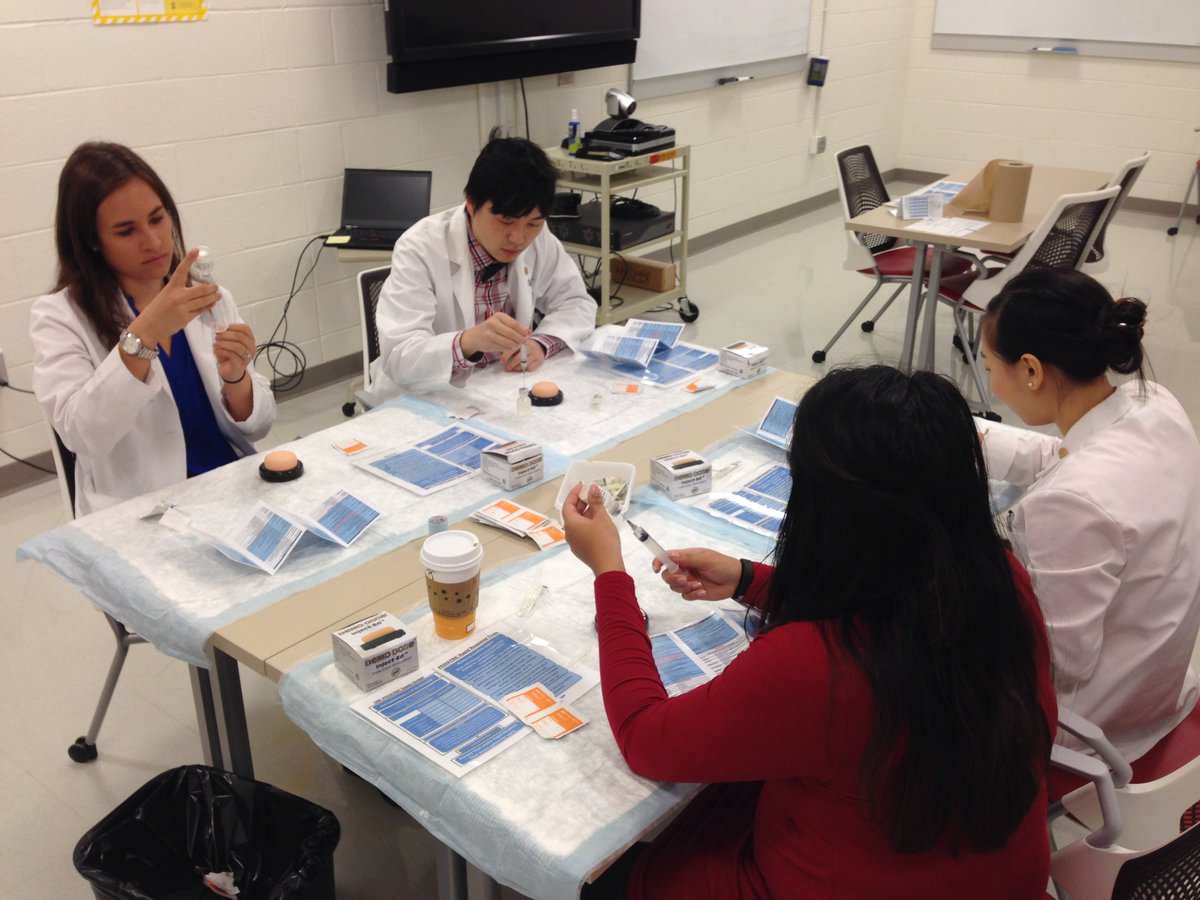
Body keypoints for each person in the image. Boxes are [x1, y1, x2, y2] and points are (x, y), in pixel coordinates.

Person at [562, 366, 1056, 899]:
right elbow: (897, 595)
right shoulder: (1002, 582)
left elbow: (644, 737)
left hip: (845, 879)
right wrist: (751, 579)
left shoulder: (816, 666)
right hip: (999, 876)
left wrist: (609, 575)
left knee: (593, 875)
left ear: (831, 512)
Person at [979, 267, 1200, 764]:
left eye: (990, 366)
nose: (991, 384)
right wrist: (964, 437)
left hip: (1093, 729)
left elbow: (1057, 663)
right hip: (1158, 679)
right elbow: (1072, 456)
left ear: (1031, 370)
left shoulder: (1068, 506)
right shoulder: (1151, 403)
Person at [31, 142, 276, 517]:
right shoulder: (60, 317)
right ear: (93, 242)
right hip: (145, 512)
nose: (153, 241)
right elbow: (82, 434)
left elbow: (258, 426)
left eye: (157, 218)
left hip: (229, 487)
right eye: (126, 231)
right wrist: (142, 337)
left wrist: (237, 378)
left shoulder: (208, 297)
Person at [370, 130, 595, 395]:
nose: (519, 238)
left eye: (533, 223)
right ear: (471, 202)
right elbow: (400, 356)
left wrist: (541, 344)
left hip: (501, 386)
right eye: (506, 221)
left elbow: (576, 303)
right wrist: (469, 341)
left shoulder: (538, 237)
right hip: (430, 395)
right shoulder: (420, 247)